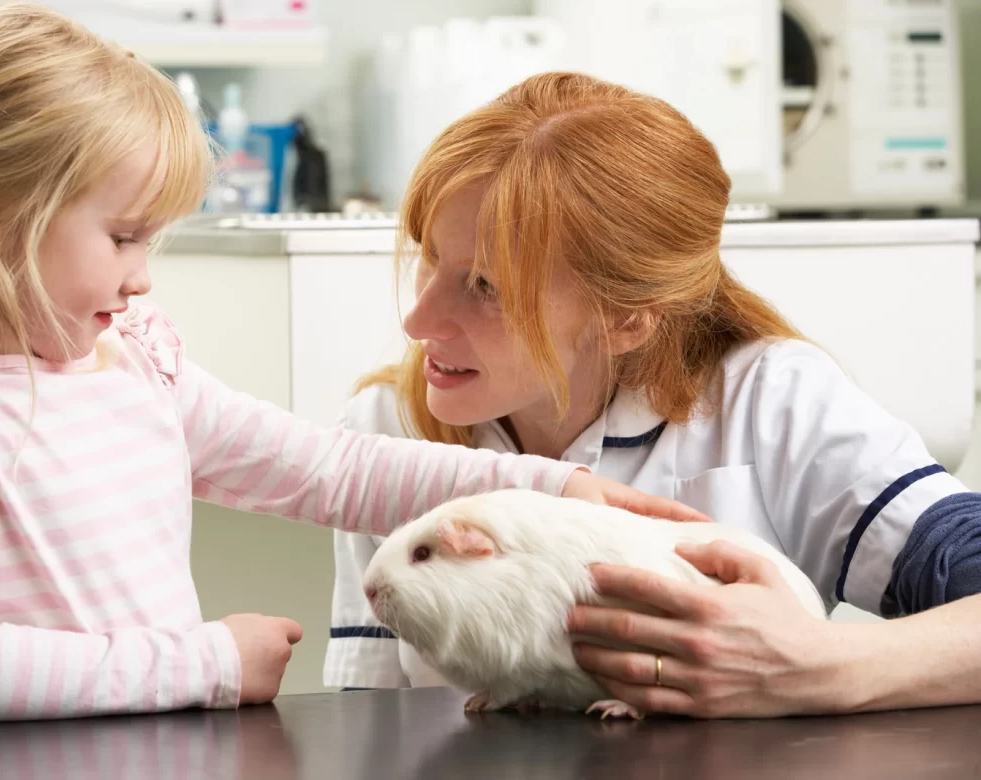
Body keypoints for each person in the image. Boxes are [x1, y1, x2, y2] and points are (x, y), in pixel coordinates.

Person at [0, 6, 701, 723]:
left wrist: (545, 492)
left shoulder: (136, 368)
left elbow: (329, 470)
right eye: (123, 236)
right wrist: (207, 661)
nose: (143, 275)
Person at [325, 71, 981, 717]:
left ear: (628, 318)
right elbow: (374, 719)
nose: (417, 324)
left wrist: (824, 666)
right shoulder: (389, 425)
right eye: (430, 259)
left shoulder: (770, 399)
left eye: (487, 287)